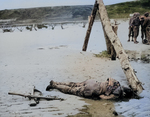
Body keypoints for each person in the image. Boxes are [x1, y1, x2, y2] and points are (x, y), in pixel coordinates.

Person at [46, 78, 133, 100]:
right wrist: (101, 96)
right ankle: (54, 86)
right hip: (93, 90)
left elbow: (109, 79)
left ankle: (56, 82)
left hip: (93, 82)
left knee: (74, 84)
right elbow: (103, 97)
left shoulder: (116, 82)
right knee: (70, 90)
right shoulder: (116, 94)